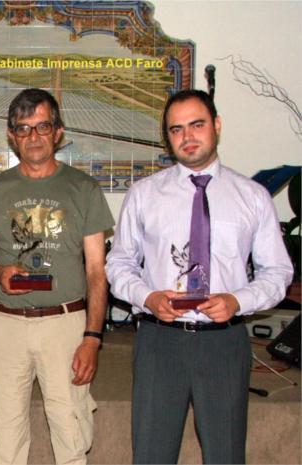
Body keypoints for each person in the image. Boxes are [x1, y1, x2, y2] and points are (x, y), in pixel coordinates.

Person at [105, 89, 294, 464]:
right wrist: (147, 297)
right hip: (160, 342)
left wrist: (238, 300)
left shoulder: (252, 196)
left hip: (223, 344)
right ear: (168, 137)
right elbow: (119, 264)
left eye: (197, 125)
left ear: (217, 126)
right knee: (152, 455)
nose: (187, 136)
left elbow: (277, 271)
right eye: (176, 129)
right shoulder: (144, 194)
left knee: (225, 455)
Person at [0, 88, 114, 464]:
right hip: (7, 326)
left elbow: (97, 272)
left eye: (42, 126)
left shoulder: (84, 189)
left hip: (65, 325)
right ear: (11, 135)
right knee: (4, 437)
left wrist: (92, 338)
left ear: (58, 132)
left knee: (70, 431)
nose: (33, 136)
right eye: (24, 128)